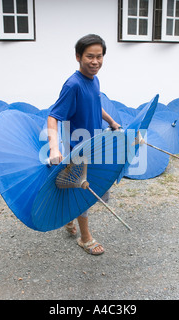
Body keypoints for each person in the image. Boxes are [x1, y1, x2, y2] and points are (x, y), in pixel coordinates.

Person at [47, 34, 121, 255]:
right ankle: (85, 238)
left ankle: (69, 218)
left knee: (89, 189)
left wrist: (111, 121)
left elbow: (95, 103)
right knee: (85, 192)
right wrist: (53, 148)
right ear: (78, 57)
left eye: (99, 57)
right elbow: (53, 116)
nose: (95, 61)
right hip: (77, 149)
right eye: (90, 56)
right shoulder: (72, 85)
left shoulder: (94, 80)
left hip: (95, 146)